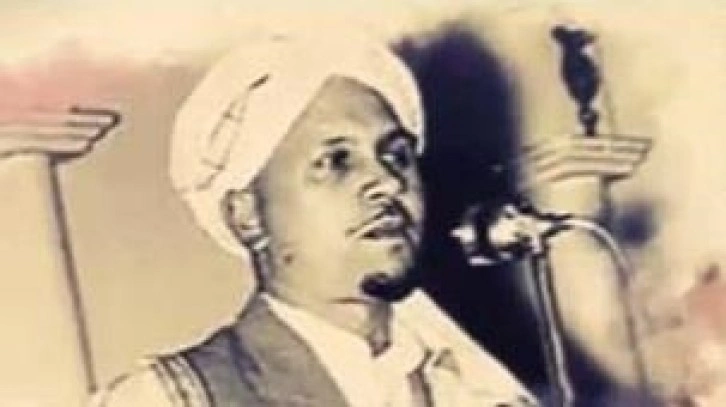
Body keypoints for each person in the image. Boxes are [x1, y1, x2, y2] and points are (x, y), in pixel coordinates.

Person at [92, 29, 541, 407]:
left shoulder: (471, 392)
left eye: (397, 156)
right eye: (336, 161)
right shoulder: (168, 399)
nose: (388, 182)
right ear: (246, 216)